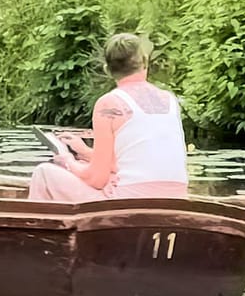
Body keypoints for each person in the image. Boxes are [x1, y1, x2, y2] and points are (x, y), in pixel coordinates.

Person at [29, 32, 188, 203]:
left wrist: (68, 160)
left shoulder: (109, 104)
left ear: (107, 70)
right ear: (145, 61)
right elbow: (136, 163)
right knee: (88, 169)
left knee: (44, 172)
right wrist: (85, 152)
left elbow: (97, 180)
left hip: (129, 204)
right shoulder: (170, 100)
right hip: (176, 199)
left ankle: (35, 229)